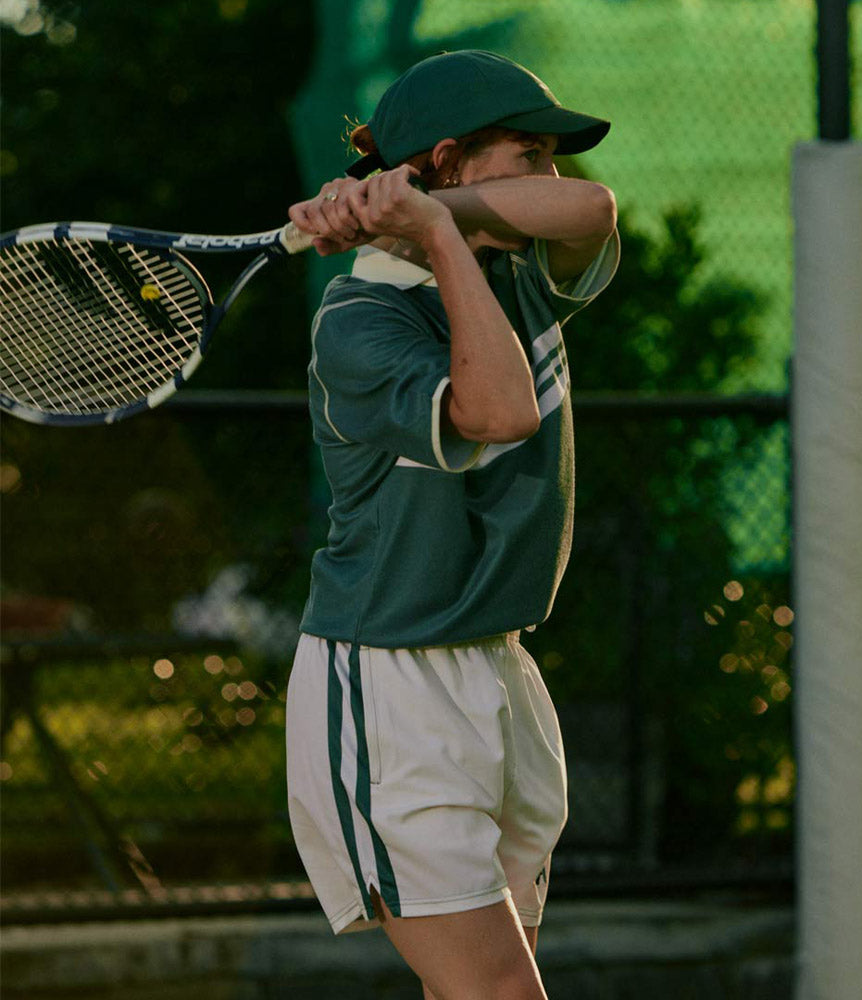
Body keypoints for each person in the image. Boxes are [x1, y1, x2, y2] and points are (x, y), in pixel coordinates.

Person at [284, 50, 619, 1000]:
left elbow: (593, 212)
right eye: (529, 153)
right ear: (448, 155)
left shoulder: (511, 267)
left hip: (498, 668)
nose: (551, 178)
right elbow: (499, 412)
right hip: (390, 685)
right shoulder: (359, 323)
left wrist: (433, 217)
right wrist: (424, 232)